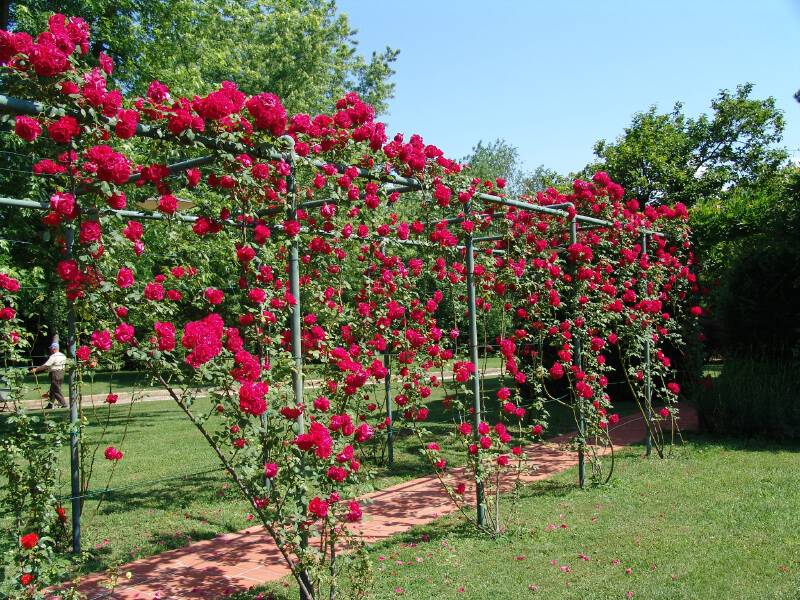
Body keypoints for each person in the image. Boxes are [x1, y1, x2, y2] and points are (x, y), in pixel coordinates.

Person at [30, 341, 68, 409]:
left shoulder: (53, 356)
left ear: (54, 348)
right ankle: (50, 405)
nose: (50, 350)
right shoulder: (63, 355)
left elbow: (46, 366)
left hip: (55, 374)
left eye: (51, 348)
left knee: (56, 389)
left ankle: (63, 403)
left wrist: (36, 369)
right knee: (52, 390)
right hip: (61, 373)